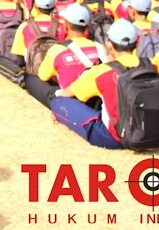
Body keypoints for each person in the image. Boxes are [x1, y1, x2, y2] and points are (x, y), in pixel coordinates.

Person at [51, 19, 141, 149]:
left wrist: (58, 97)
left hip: (115, 137)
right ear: (137, 43)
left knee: (59, 101)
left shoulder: (102, 71)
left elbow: (69, 92)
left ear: (109, 44)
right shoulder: (151, 64)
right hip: (153, 132)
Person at [32, 3, 107, 107]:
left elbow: (43, 76)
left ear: (66, 25)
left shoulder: (57, 50)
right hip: (96, 103)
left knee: (32, 80)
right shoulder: (100, 48)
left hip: (71, 103)